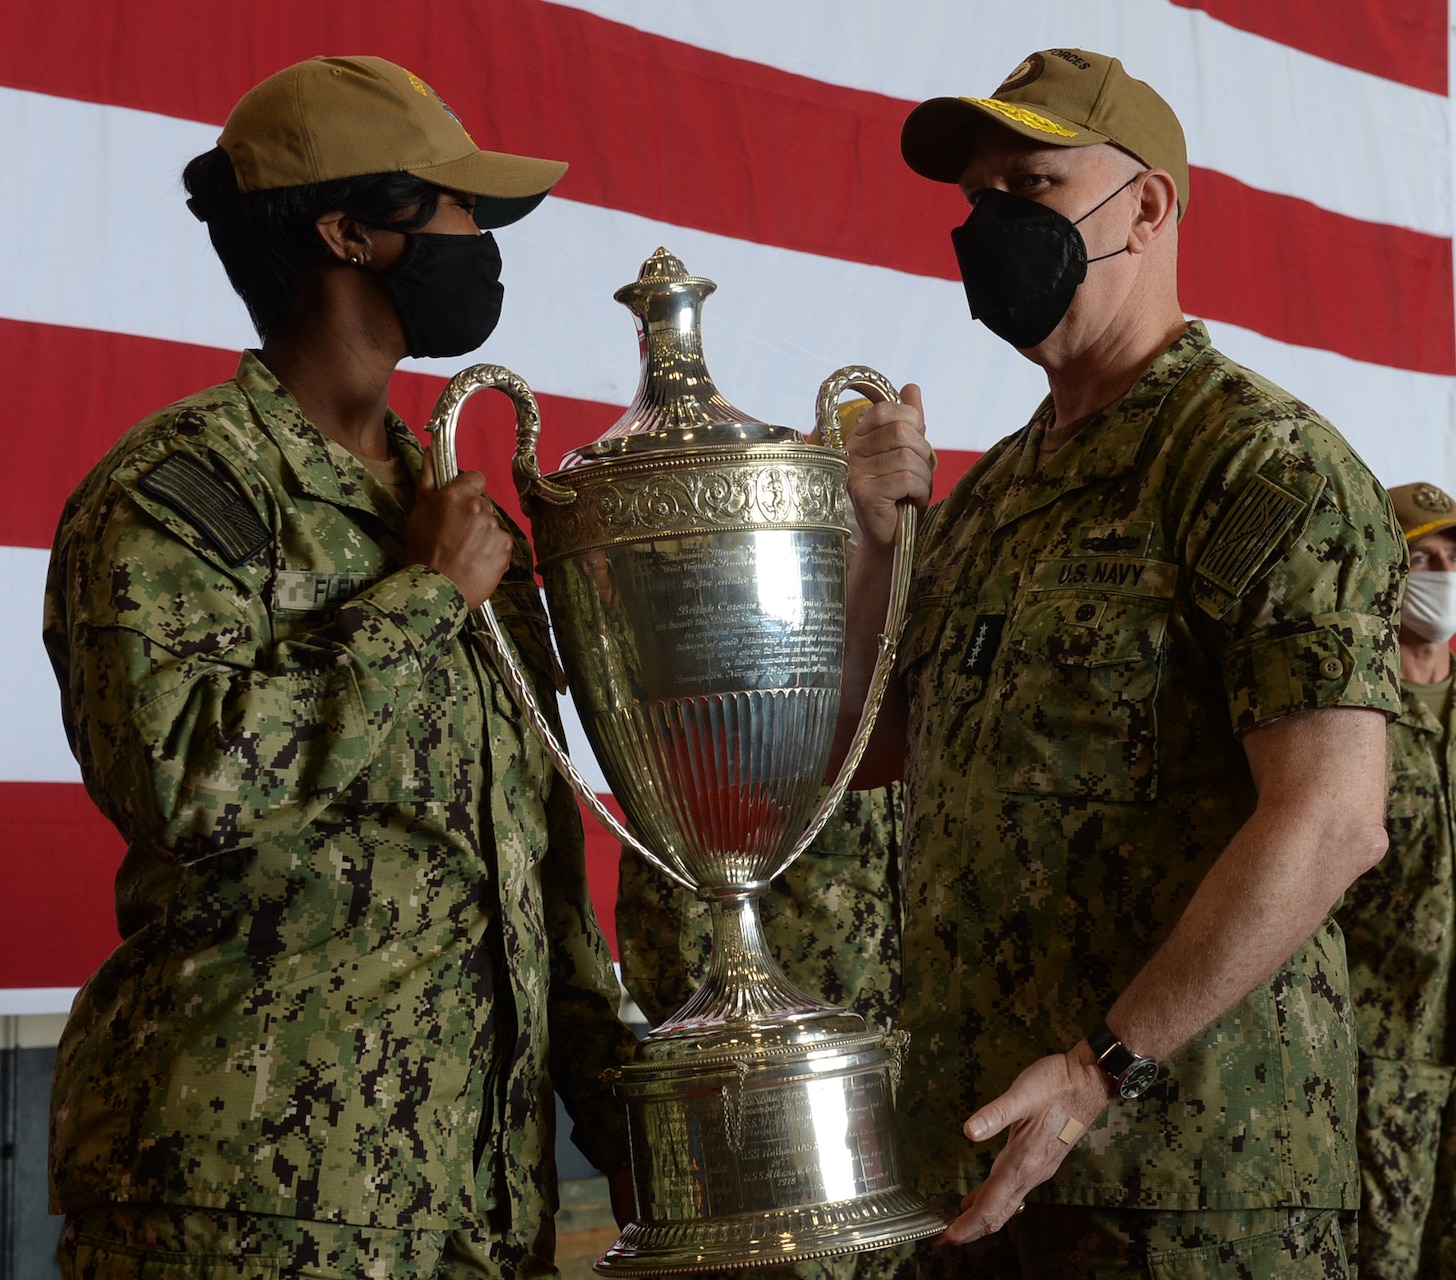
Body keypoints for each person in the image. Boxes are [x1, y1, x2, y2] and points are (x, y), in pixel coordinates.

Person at [42, 55, 635, 1279]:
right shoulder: (183, 490)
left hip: (475, 1201)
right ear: (351, 231)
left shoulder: (451, 503)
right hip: (245, 1204)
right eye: (461, 206)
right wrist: (417, 603)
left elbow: (529, 839)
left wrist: (612, 1100)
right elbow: (182, 783)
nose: (485, 238)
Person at [836, 48, 1405, 1277]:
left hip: (1188, 1186)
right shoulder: (993, 491)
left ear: (1144, 207)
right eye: (976, 202)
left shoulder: (1257, 462)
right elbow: (869, 753)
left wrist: (1101, 1071)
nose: (990, 229)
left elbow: (1334, 816)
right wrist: (876, 547)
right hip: (981, 1167)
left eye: (1030, 188)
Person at [1339, 481, 1456, 1279]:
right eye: (1423, 558)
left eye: (1453, 560)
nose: (1442, 575)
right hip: (1381, 1067)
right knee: (1380, 1265)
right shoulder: (1348, 717)